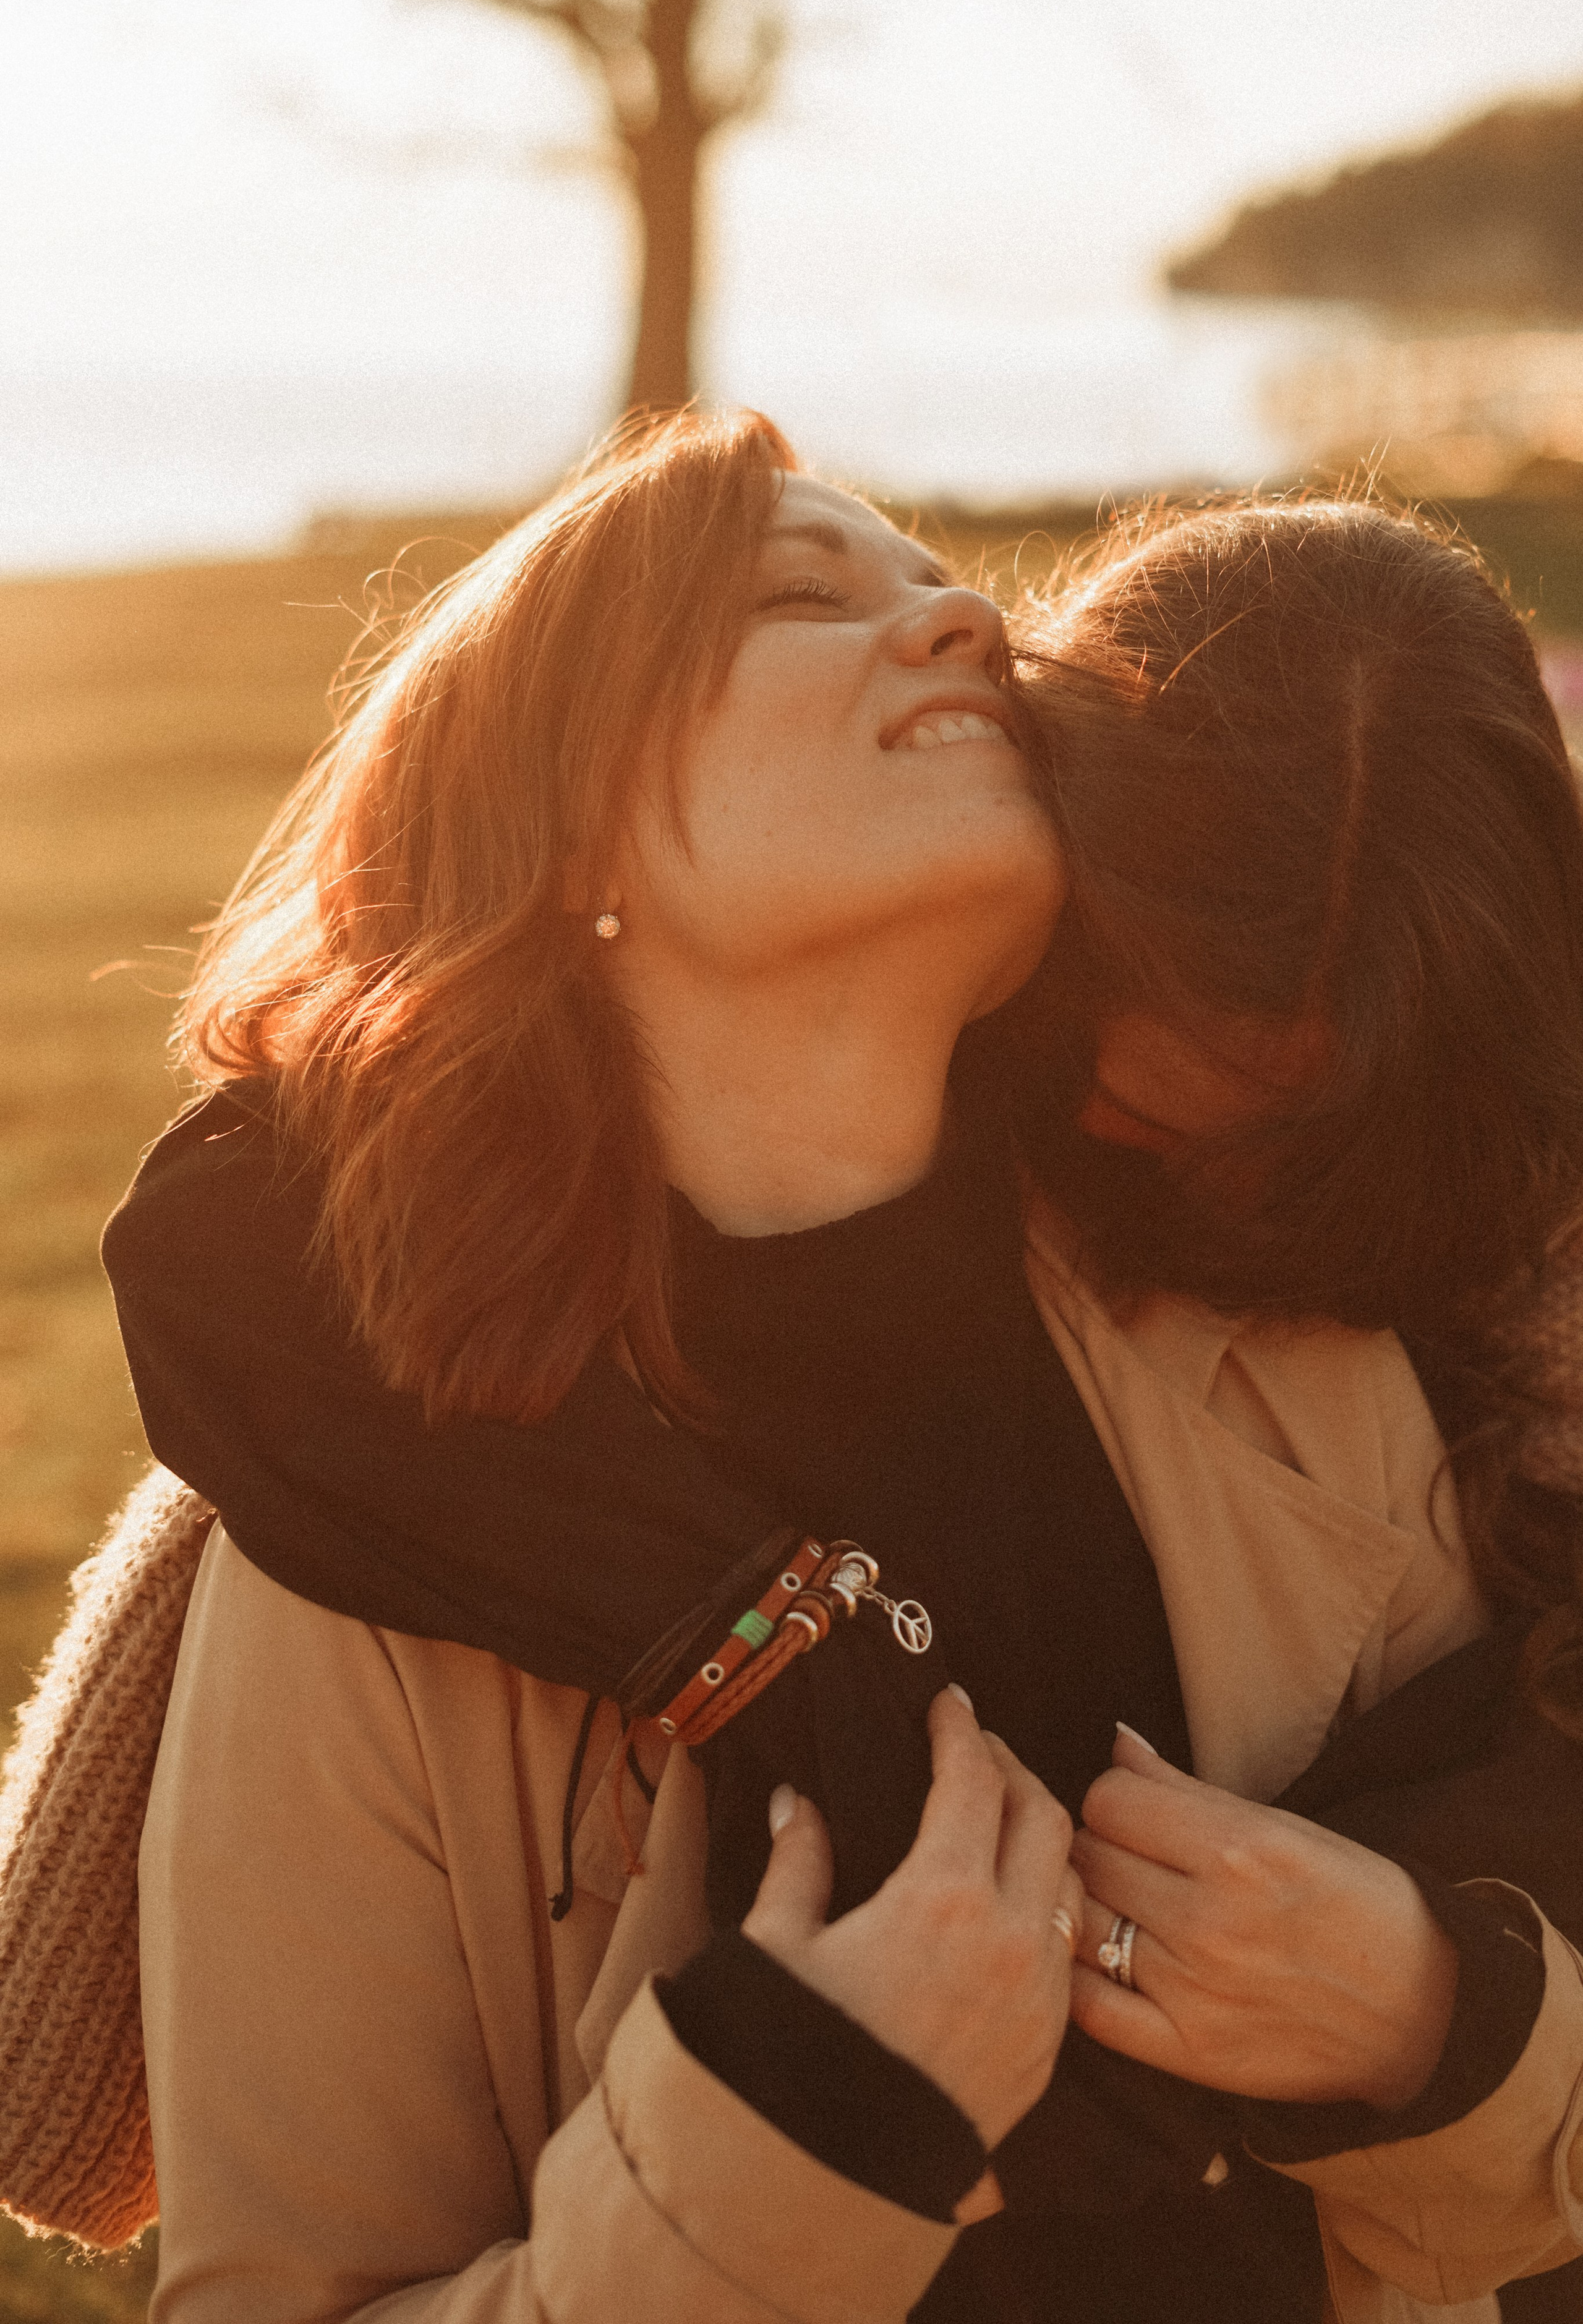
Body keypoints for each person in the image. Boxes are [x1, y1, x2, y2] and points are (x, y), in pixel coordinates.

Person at [53, 422, 1583, 2321]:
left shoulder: (1291, 1350)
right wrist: (796, 2141)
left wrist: (1442, 2020)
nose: (961, 620)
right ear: (562, 817)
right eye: (798, 593)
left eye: (943, 586)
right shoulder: (365, 1548)